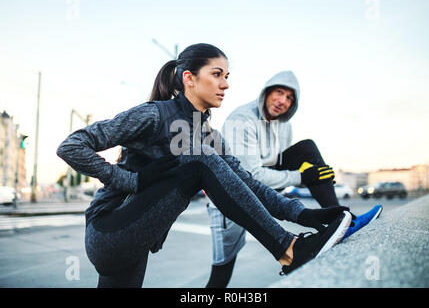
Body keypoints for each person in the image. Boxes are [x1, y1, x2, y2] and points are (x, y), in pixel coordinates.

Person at [56, 43, 353, 288]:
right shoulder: (154, 115)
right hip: (110, 230)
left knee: (204, 157)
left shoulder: (212, 137)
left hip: (138, 238)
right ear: (189, 78)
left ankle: (293, 242)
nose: (226, 84)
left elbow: (247, 184)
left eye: (227, 76)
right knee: (200, 159)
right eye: (217, 74)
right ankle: (289, 250)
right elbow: (71, 146)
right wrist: (131, 180)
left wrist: (303, 213)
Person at [205, 70, 383, 288]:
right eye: (279, 92)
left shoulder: (284, 125)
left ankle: (342, 218)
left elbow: (276, 163)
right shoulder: (242, 119)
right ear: (267, 92)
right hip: (231, 197)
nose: (283, 101)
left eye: (290, 98)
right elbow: (249, 177)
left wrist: (317, 177)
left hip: (262, 184)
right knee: (222, 271)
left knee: (307, 149)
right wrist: (301, 177)